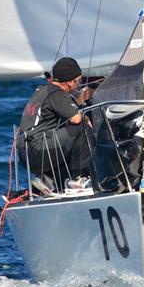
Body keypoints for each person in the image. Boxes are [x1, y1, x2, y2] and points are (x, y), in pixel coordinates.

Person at [18, 57, 93, 191]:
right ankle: (79, 179)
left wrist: (78, 101)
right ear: (70, 83)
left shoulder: (43, 90)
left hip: (26, 153)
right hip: (37, 150)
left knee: (65, 134)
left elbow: (59, 112)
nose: (79, 83)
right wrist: (86, 119)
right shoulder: (57, 94)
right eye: (78, 80)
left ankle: (49, 181)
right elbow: (76, 119)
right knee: (82, 127)